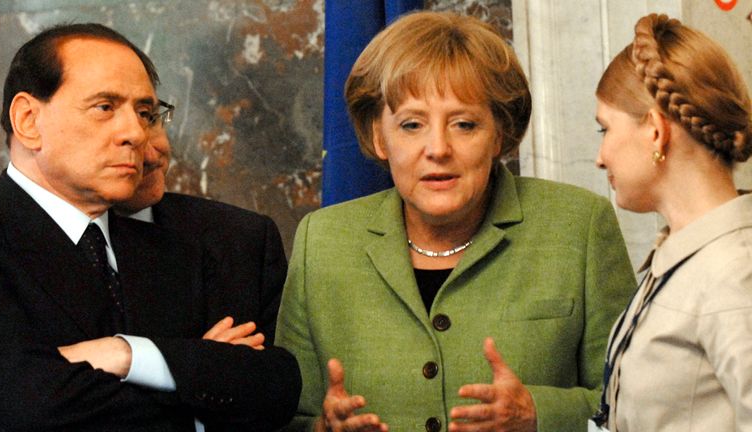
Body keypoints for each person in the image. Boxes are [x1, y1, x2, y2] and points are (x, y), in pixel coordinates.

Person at [276, 11, 635, 432]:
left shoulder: (579, 226)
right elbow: (283, 416)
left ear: (499, 133)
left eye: (464, 124)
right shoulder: (323, 239)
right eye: (411, 125)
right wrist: (322, 427)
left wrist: (538, 413)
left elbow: (636, 402)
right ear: (378, 136)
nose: (438, 148)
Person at [0, 23, 300, 431]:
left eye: (146, 113)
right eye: (105, 107)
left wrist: (129, 355)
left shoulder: (200, 243)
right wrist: (194, 375)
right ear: (28, 120)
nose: (136, 134)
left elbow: (276, 387)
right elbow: (31, 408)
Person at [593, 13, 752, 432]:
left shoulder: (734, 273)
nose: (600, 156)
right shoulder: (683, 254)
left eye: (604, 129)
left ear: (655, 132)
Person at [116, 107, 288, 344]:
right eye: (107, 113)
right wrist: (201, 364)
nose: (150, 155)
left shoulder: (244, 239)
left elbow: (279, 374)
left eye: (148, 117)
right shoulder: (52, 249)